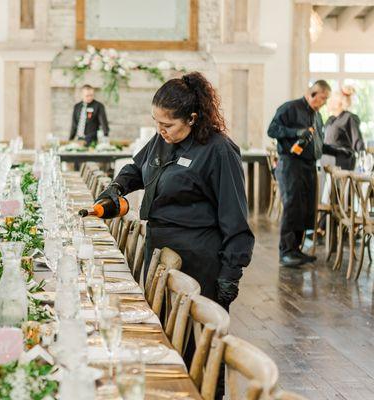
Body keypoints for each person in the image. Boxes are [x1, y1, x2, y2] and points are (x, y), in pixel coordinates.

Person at [97, 72, 254, 399]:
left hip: (200, 259)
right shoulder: (162, 140)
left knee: (199, 350)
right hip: (161, 253)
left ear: (192, 119)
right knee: (164, 342)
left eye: (166, 125)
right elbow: (136, 169)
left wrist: (230, 277)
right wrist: (116, 188)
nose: (160, 130)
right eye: (156, 123)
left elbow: (236, 220)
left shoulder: (218, 151)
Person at [267, 80, 352, 268]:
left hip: (309, 166)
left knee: (306, 209)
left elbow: (319, 144)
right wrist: (297, 132)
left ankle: (296, 249)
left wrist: (339, 151)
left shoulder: (317, 116)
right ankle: (286, 252)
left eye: (325, 100)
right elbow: (272, 130)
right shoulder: (289, 108)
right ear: (313, 93)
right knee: (292, 206)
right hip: (291, 164)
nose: (323, 103)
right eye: (322, 98)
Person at [321, 85, 364, 170]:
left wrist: (363, 158)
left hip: (342, 161)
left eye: (332, 100)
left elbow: (358, 141)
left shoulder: (349, 118)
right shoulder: (330, 120)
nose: (328, 102)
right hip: (327, 159)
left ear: (340, 102)